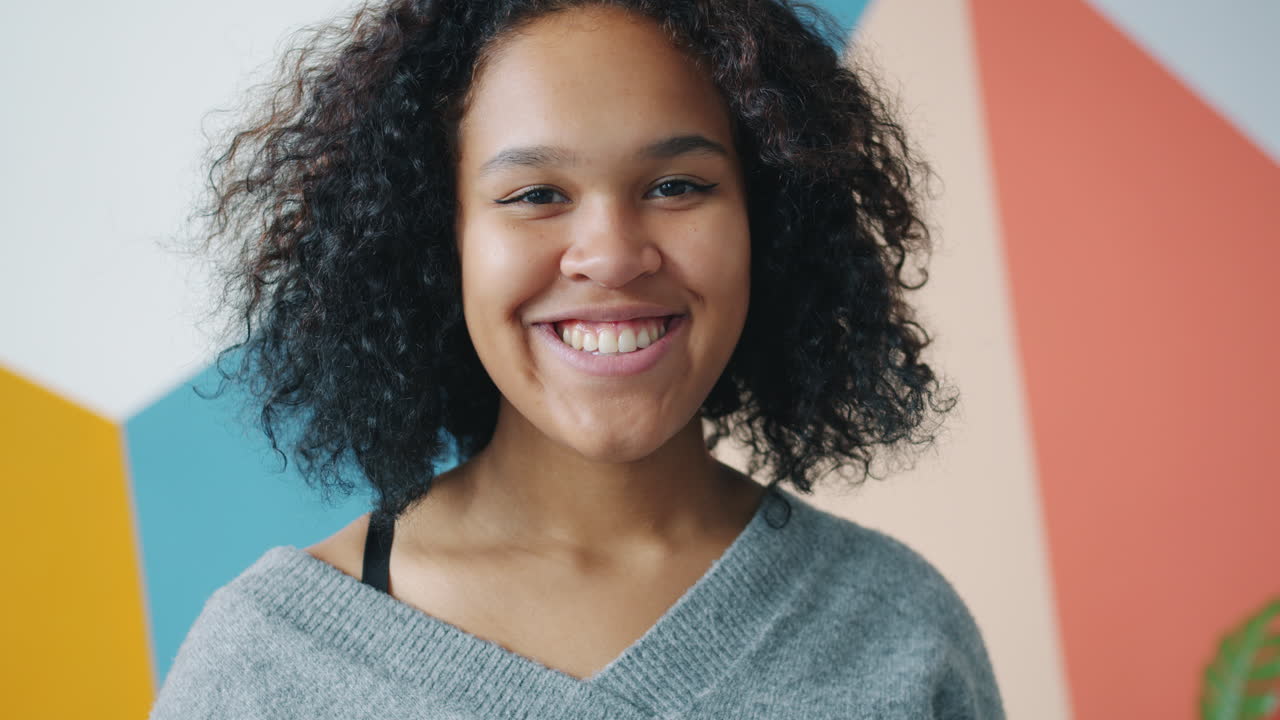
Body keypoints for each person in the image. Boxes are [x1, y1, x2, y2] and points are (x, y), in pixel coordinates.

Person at [151, 0, 1005, 717]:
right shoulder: (267, 667)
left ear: (770, 224)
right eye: (534, 196)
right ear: (432, 240)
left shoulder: (901, 633)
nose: (611, 254)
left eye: (677, 186)